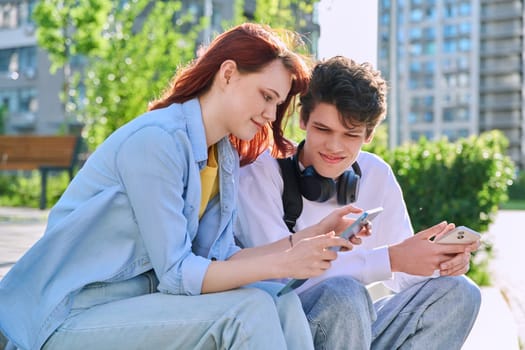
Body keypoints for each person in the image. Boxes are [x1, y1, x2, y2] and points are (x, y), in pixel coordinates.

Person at [0, 24, 362, 350]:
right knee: (247, 310)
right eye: (266, 96)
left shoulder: (222, 157)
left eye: (278, 103)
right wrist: (284, 262)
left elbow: (218, 259)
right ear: (228, 74)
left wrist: (308, 237)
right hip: (68, 315)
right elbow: (177, 273)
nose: (271, 114)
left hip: (135, 307)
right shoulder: (157, 141)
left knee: (278, 300)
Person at [235, 56, 482, 350]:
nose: (334, 147)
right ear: (303, 120)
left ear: (369, 134)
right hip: (286, 331)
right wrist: (389, 259)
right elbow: (279, 277)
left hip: (354, 329)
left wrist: (440, 263)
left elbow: (401, 279)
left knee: (460, 292)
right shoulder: (261, 173)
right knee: (344, 294)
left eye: (350, 135)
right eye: (323, 129)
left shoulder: (377, 175)